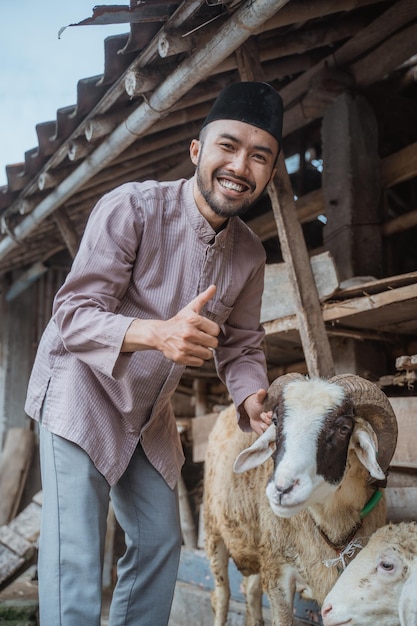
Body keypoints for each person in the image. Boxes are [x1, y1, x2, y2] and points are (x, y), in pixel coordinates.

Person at [25, 81, 284, 626]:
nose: (241, 165)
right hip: (81, 391)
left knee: (158, 543)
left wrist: (252, 398)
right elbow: (72, 314)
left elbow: (240, 345)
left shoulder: (250, 255)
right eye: (228, 146)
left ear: (270, 171)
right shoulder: (132, 207)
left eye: (259, 156)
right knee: (77, 556)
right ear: (197, 151)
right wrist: (157, 333)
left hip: (148, 413)